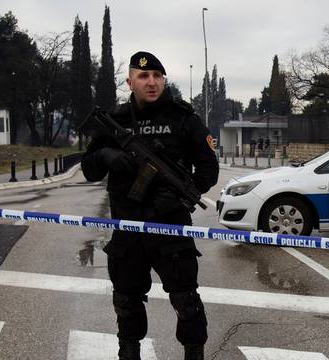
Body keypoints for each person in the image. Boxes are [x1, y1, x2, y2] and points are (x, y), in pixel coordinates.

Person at [81, 51, 219, 360]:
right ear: (130, 81)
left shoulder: (183, 118)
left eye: (157, 76)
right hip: (128, 228)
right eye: (144, 76)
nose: (152, 82)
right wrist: (106, 156)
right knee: (126, 301)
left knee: (186, 301)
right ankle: (128, 354)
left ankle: (193, 353)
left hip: (171, 226)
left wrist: (186, 191)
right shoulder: (115, 121)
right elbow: (89, 168)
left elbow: (208, 168)